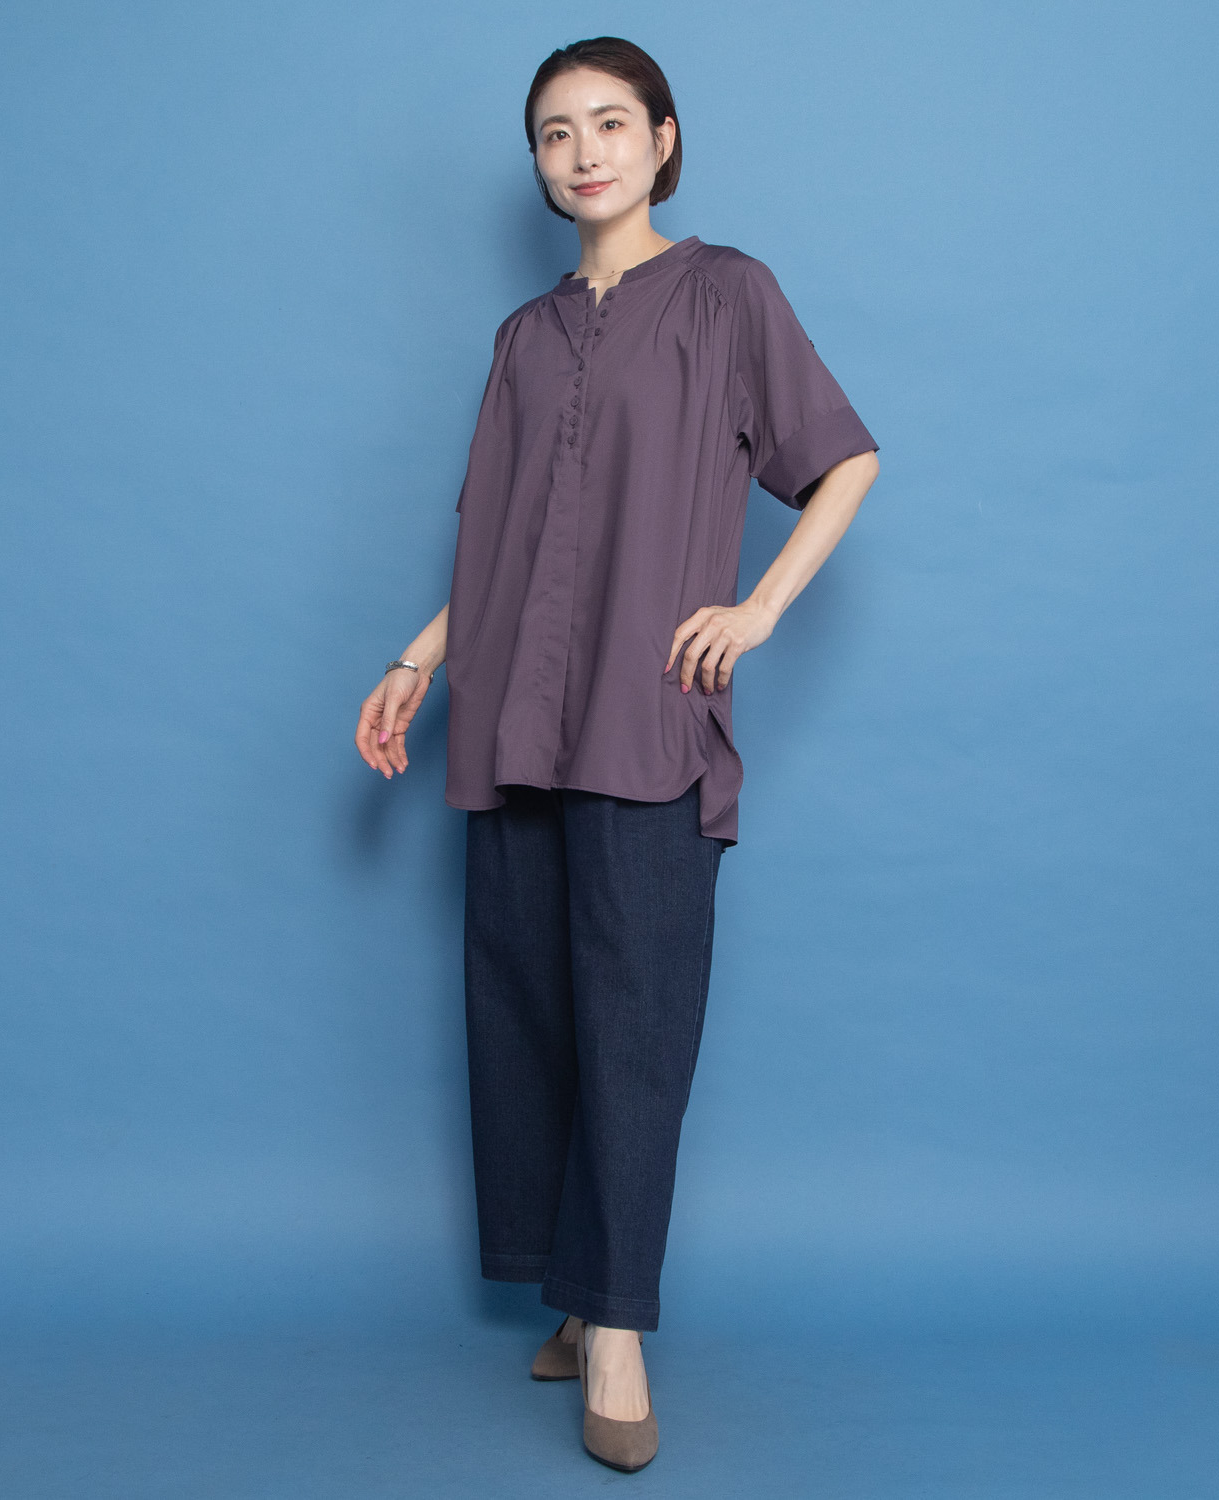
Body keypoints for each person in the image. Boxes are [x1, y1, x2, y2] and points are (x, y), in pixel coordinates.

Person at [355, 36, 879, 1473]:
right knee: (527, 1012)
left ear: (663, 139)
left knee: (635, 1024)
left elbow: (844, 459)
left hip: (645, 717)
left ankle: (622, 1328)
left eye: (607, 122)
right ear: (537, 164)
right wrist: (417, 661)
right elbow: (499, 539)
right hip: (511, 715)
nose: (581, 151)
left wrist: (758, 610)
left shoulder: (728, 294)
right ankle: (573, 1296)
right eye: (553, 132)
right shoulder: (523, 339)